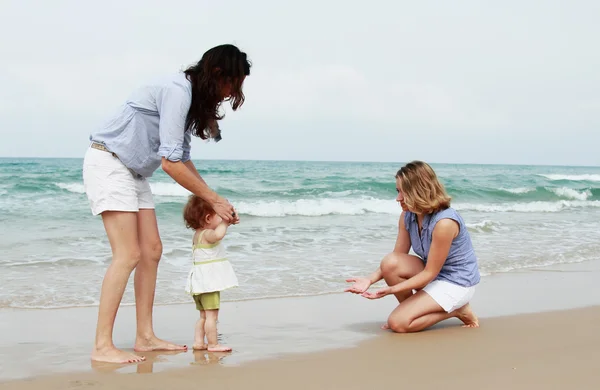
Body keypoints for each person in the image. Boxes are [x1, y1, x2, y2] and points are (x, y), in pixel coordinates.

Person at [82, 44, 251, 363]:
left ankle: (144, 337)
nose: (230, 94)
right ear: (217, 74)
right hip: (109, 161)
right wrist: (212, 199)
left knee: (152, 251)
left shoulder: (188, 99)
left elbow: (182, 157)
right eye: (231, 84)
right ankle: (102, 345)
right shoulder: (178, 90)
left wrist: (214, 200)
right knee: (128, 253)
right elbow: (170, 163)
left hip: (134, 171)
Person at [345, 161, 480, 332]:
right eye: (398, 191)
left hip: (457, 282)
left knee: (398, 324)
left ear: (420, 190)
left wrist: (391, 290)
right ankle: (412, 310)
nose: (398, 198)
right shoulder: (408, 215)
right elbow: (395, 259)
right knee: (390, 263)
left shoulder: (445, 223)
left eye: (404, 192)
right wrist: (369, 280)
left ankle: (457, 310)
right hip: (433, 275)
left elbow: (430, 272)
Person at [183, 195, 238, 352]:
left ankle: (198, 342)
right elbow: (218, 235)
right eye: (218, 216)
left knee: (203, 316)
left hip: (198, 283)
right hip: (208, 283)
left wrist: (226, 222)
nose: (221, 219)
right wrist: (227, 222)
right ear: (208, 218)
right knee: (212, 316)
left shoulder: (197, 235)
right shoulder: (207, 234)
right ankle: (213, 344)